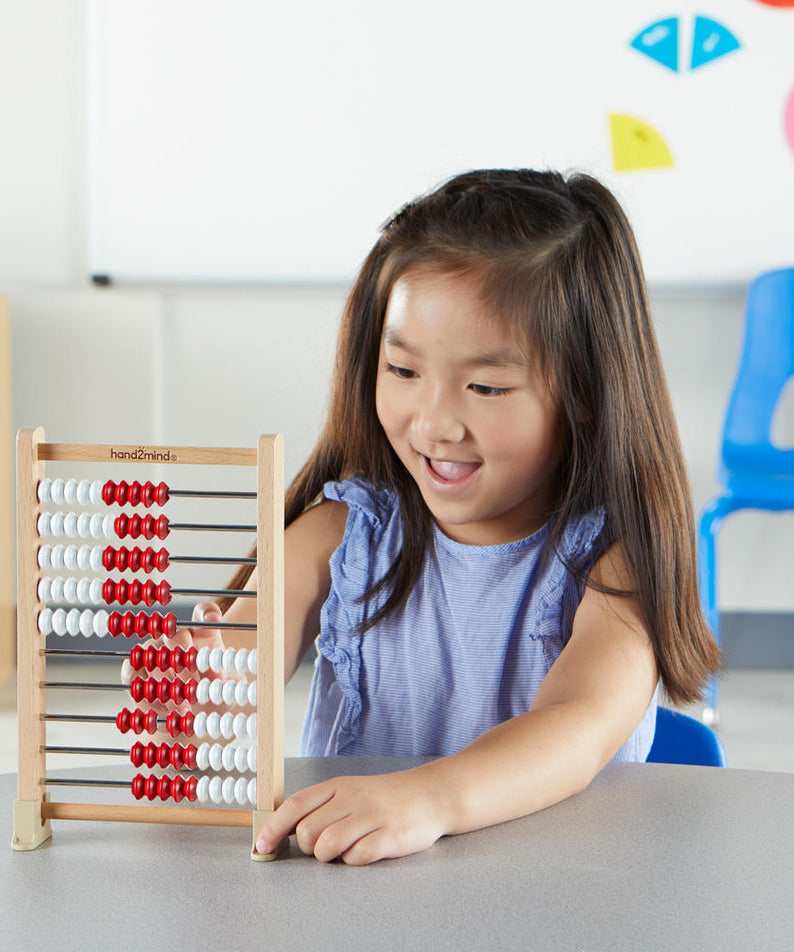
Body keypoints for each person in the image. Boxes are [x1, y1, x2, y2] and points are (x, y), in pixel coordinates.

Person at [172, 169, 721, 864]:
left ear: (585, 389)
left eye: (486, 385)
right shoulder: (340, 537)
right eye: (402, 371)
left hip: (570, 893)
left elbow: (577, 727)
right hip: (362, 902)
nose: (433, 423)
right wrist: (205, 697)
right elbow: (240, 657)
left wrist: (429, 798)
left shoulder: (613, 561)